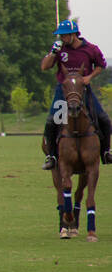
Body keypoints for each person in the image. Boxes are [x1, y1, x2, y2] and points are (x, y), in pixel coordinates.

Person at [40, 20, 111, 168]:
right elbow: (44, 67)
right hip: (63, 90)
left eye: (64, 36)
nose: (62, 38)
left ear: (73, 34)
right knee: (51, 122)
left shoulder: (91, 49)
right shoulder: (59, 49)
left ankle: (106, 152)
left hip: (83, 90)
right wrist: (53, 52)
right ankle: (51, 156)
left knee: (104, 119)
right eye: (61, 36)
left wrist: (89, 77)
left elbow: (101, 65)